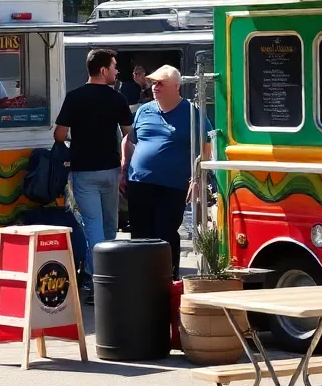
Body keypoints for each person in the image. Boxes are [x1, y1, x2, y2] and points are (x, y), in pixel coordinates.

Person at [54, 49, 133, 302]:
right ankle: (106, 277)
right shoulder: (117, 99)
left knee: (93, 225)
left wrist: (74, 138)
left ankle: (95, 281)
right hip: (110, 169)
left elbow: (58, 134)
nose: (117, 71)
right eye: (114, 66)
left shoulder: (74, 97)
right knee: (110, 225)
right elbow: (129, 133)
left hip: (83, 170)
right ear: (103, 70)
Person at [120, 65, 211, 279]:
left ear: (176, 86)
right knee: (141, 237)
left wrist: (198, 176)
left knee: (166, 234)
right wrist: (124, 169)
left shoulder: (191, 112)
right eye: (153, 82)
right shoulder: (144, 110)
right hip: (139, 183)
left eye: (161, 83)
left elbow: (207, 143)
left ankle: (168, 280)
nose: (154, 87)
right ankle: (141, 281)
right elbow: (129, 140)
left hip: (172, 186)